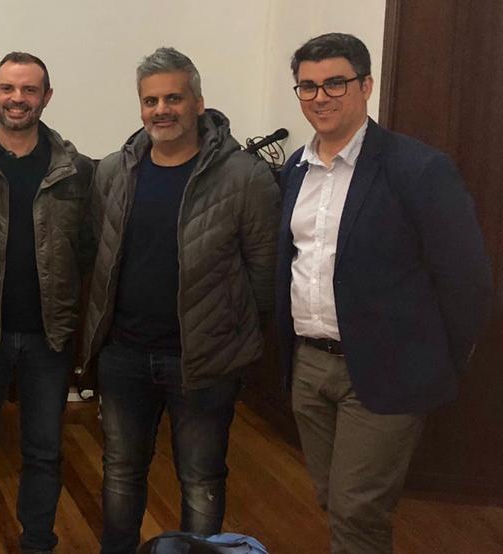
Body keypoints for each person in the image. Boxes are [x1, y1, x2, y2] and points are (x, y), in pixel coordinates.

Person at [279, 32, 494, 553]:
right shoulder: (295, 170)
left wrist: (436, 358)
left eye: (335, 83)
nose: (320, 97)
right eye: (308, 86)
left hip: (384, 370)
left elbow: (466, 279)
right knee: (334, 500)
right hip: (308, 367)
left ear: (366, 86)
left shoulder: (418, 169)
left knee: (357, 512)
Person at [81, 47, 278, 554]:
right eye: (151, 101)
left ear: (198, 102)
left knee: (201, 477)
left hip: (204, 360)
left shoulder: (244, 177)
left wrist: (232, 336)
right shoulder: (114, 172)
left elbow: (263, 275)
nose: (161, 110)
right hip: (124, 354)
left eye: (173, 98)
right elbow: (102, 255)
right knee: (120, 470)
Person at [0, 52, 94, 554]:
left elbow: (89, 252)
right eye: (8, 88)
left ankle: (37, 543)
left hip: (48, 335)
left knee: (44, 450)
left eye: (29, 90)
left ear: (46, 97)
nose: (17, 99)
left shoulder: (75, 171)